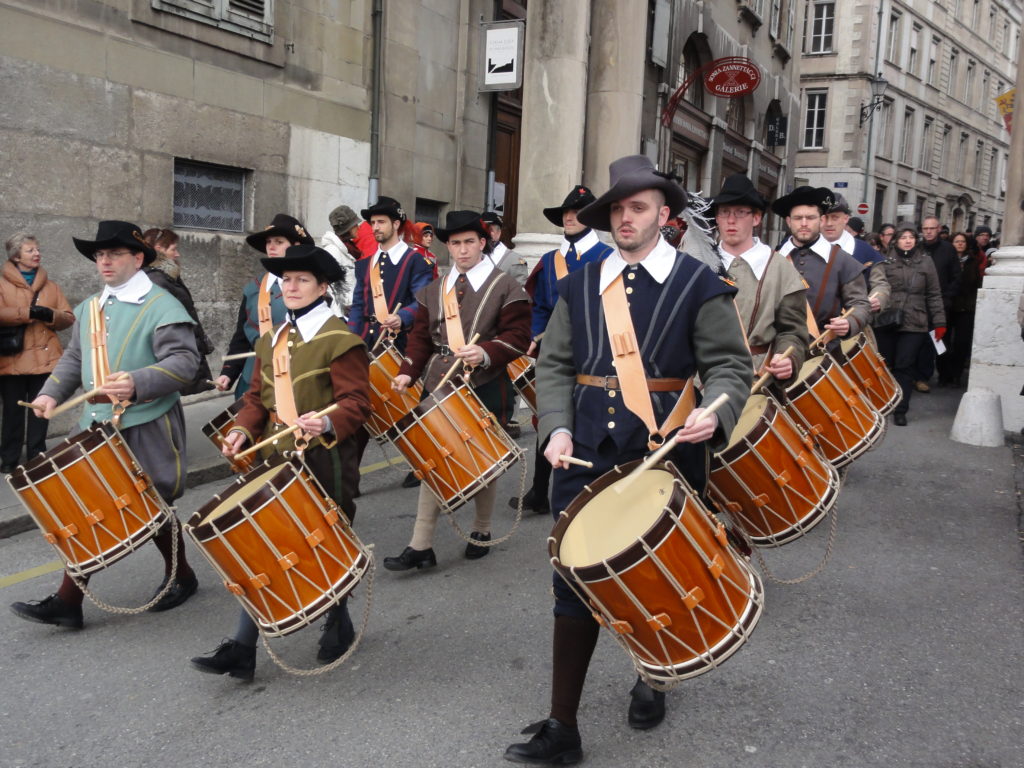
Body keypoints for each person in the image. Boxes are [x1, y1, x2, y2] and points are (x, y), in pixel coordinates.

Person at [504, 156, 751, 765]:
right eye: (617, 209)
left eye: (637, 207)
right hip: (584, 452)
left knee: (657, 574)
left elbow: (729, 367)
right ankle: (563, 727)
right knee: (573, 578)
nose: (625, 218)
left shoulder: (698, 283)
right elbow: (556, 365)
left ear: (664, 215)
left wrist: (715, 412)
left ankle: (655, 675)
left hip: (665, 450)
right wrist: (555, 429)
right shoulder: (582, 281)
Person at [190, 244, 371, 680]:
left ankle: (338, 618)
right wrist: (240, 429)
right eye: (286, 280)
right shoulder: (272, 340)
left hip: (325, 460)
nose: (291, 287)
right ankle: (242, 646)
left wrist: (325, 423)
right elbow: (256, 399)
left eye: (302, 280)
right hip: (274, 456)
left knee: (324, 540)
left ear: (323, 287)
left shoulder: (341, 340)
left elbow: (357, 403)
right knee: (264, 543)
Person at [10, 220, 201, 629]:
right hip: (97, 426)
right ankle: (69, 600)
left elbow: (185, 364)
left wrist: (138, 381)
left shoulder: (164, 306)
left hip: (147, 421)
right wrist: (50, 394)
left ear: (137, 258)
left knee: (152, 507)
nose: (104, 262)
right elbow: (75, 360)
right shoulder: (91, 308)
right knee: (87, 509)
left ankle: (181, 577)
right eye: (99, 255)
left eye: (113, 254)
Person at [383, 210, 530, 572]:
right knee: (432, 457)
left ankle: (481, 530)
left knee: (484, 458)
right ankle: (421, 545)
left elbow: (518, 339)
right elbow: (419, 339)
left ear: (483, 243)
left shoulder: (506, 287)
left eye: (469, 242)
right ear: (448, 247)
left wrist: (485, 352)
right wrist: (406, 372)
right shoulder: (434, 290)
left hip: (485, 381)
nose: (462, 250)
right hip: (438, 380)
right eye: (455, 243)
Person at [509, 185, 614, 516]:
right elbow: (540, 305)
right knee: (549, 414)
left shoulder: (609, 258)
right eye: (566, 213)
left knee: (590, 417)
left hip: (594, 352)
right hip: (554, 352)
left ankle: (588, 486)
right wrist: (535, 335)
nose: (569, 218)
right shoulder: (551, 260)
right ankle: (541, 490)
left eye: (578, 212)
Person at [348, 196, 435, 492]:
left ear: (396, 224)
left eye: (381, 222)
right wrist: (352, 342)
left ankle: (423, 464)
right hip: (370, 344)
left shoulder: (415, 261)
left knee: (406, 409)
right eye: (372, 223)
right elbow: (358, 306)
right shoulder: (365, 265)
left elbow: (422, 301)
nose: (375, 228)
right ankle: (351, 476)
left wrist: (403, 317)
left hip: (402, 344)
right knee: (360, 408)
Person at [711, 173, 808, 385]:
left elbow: (793, 332)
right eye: (724, 212)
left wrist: (788, 358)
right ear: (716, 218)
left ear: (756, 218)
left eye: (739, 213)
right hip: (700, 381)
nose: (730, 220)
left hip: (755, 382)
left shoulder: (780, 269)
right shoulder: (698, 263)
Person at [215, 214, 314, 397]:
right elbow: (241, 338)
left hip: (292, 379)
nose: (271, 247)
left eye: (279, 241)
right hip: (252, 380)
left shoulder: (309, 288)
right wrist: (228, 373)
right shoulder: (254, 288)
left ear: (296, 246)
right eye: (269, 242)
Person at [0, 233, 75, 473]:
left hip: (46, 359)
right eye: (30, 250)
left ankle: (37, 456)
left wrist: (50, 315)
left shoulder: (51, 286)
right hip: (13, 358)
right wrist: (28, 313)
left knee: (41, 411)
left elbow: (69, 317)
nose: (37, 254)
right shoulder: (1, 284)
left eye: (37, 249)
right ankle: (9, 459)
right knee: (12, 411)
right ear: (16, 256)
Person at [775, 187, 872, 344]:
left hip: (824, 352)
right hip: (778, 354)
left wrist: (850, 322)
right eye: (798, 218)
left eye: (811, 217)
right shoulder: (773, 258)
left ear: (821, 220)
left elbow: (860, 304)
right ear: (788, 221)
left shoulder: (843, 261)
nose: (804, 224)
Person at [874, 223, 946, 426]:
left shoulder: (926, 262)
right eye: (903, 237)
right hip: (887, 319)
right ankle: (883, 404)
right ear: (895, 240)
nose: (907, 240)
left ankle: (900, 409)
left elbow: (934, 294)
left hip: (915, 321)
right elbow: (876, 288)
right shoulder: (885, 261)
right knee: (884, 364)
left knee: (905, 366)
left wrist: (939, 321)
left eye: (911, 237)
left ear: (916, 240)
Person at [142, 228, 214, 395]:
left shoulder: (167, 276)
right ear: (159, 249)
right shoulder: (157, 280)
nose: (178, 254)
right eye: (173, 249)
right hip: (169, 353)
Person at [819, 193, 890, 316]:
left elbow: (880, 284)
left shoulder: (866, 251)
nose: (829, 223)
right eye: (824, 218)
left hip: (854, 324)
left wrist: (878, 299)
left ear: (846, 219)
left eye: (835, 218)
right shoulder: (802, 248)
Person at [915, 216, 961, 392]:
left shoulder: (948, 250)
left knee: (936, 341)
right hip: (918, 302)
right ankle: (916, 375)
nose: (928, 231)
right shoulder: (917, 248)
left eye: (931, 228)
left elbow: (956, 277)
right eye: (925, 228)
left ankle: (934, 375)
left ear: (938, 229)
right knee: (916, 340)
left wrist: (947, 298)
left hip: (940, 304)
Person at [940, 231, 983, 388]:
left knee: (961, 343)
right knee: (943, 341)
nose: (959, 244)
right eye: (956, 241)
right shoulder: (946, 261)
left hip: (965, 308)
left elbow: (976, 284)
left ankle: (957, 374)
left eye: (962, 241)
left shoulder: (972, 262)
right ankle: (943, 374)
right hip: (948, 306)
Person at [320, 205, 360, 318]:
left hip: (350, 313)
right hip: (340, 316)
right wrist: (341, 315)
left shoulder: (347, 249)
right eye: (355, 225)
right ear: (348, 228)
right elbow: (331, 288)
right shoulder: (333, 251)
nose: (358, 227)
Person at [482, 211, 529, 285]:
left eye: (490, 230)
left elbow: (519, 292)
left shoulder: (515, 260)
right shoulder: (470, 256)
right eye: (483, 231)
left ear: (499, 233)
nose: (486, 234)